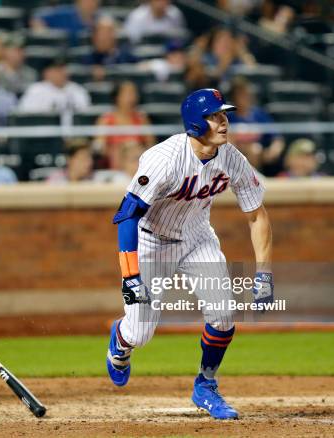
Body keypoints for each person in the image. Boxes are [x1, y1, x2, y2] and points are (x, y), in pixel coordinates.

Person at [106, 89, 273, 420]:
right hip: (152, 242)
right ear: (197, 123)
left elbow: (258, 215)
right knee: (140, 334)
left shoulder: (231, 158)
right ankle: (120, 341)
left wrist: (265, 274)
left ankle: (206, 385)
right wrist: (130, 276)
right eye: (215, 116)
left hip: (198, 239)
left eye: (224, 114)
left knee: (224, 313)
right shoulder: (164, 159)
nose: (224, 121)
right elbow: (128, 215)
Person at [227, 76, 285, 174]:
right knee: (254, 149)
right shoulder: (228, 116)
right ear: (233, 97)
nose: (244, 97)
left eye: (246, 94)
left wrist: (274, 149)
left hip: (259, 154)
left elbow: (277, 138)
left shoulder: (259, 114)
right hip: (235, 155)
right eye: (240, 94)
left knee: (255, 149)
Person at [95, 81, 155, 169]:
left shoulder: (142, 119)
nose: (132, 97)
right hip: (114, 165)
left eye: (134, 93)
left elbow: (151, 146)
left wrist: (136, 150)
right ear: (117, 97)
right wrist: (121, 150)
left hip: (137, 165)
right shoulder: (105, 120)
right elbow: (99, 148)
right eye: (127, 93)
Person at [18, 57, 90, 124]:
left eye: (63, 69)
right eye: (57, 70)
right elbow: (26, 116)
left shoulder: (77, 90)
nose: (62, 72)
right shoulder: (35, 90)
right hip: (44, 133)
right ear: (46, 73)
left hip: (74, 133)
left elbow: (85, 116)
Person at [82, 16, 137, 81]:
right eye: (101, 33)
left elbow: (140, 66)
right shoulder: (88, 59)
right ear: (94, 36)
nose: (103, 37)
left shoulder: (124, 55)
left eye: (108, 33)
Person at [31, 0, 100, 46]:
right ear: (78, 2)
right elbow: (38, 17)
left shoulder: (100, 20)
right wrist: (42, 32)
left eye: (94, 1)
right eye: (87, 1)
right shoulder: (65, 13)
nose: (90, 4)